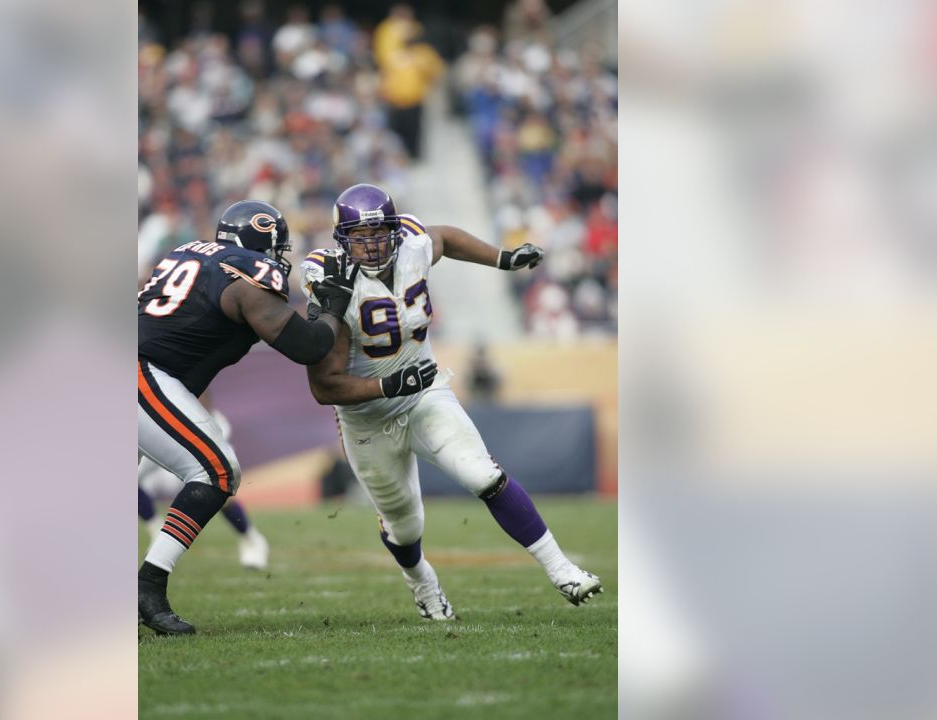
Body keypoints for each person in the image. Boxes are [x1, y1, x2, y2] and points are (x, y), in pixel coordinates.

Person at [300, 184, 603, 620]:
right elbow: (324, 387)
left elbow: (446, 237)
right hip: (365, 418)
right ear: (342, 240)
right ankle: (422, 584)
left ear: (394, 231)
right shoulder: (331, 283)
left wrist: (503, 258)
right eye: (359, 238)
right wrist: (390, 385)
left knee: (484, 475)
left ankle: (562, 570)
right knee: (406, 526)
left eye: (379, 234)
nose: (371, 245)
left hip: (424, 392)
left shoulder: (413, 244)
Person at [138, 199, 429, 635]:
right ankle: (148, 587)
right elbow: (308, 348)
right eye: (277, 249)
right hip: (141, 373)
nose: (278, 260)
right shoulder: (249, 275)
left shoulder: (190, 255)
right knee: (216, 471)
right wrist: (332, 307)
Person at [138, 402, 270, 571]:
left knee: (217, 487)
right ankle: (156, 531)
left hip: (194, 423)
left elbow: (200, 391)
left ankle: (250, 538)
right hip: (156, 426)